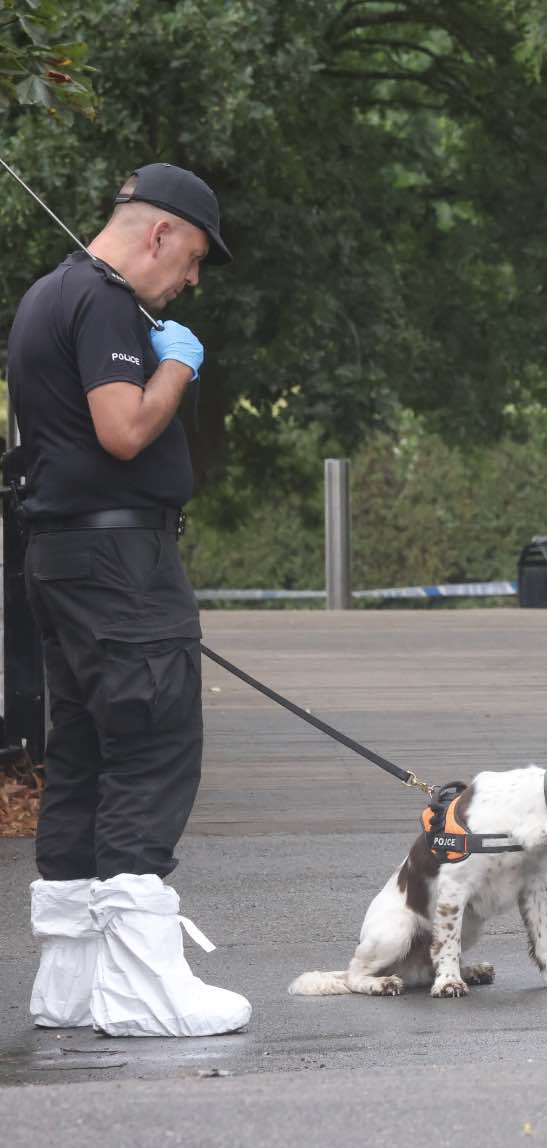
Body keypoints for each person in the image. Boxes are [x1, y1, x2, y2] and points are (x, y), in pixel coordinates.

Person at [7, 163, 250, 1035]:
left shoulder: (43, 297)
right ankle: (147, 991)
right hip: (119, 562)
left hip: (63, 557)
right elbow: (123, 430)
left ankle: (72, 982)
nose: (189, 281)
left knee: (81, 752)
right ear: (159, 234)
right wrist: (176, 367)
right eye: (191, 260)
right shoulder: (106, 302)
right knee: (150, 741)